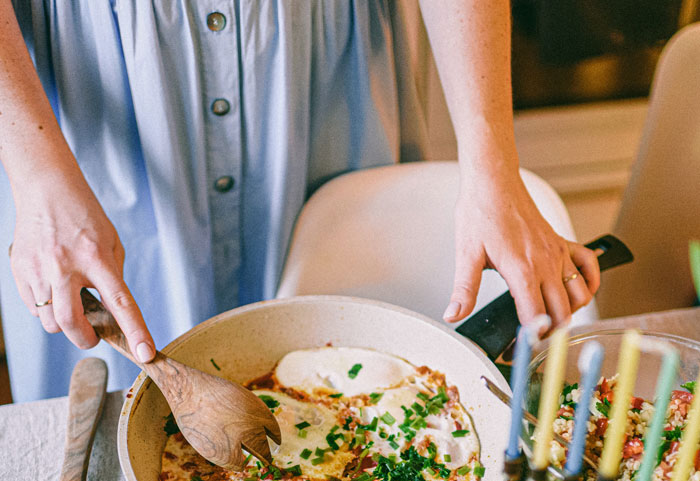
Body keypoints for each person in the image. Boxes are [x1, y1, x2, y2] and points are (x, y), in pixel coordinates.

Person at [0, 0, 599, 403]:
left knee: (359, 387)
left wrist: (494, 168)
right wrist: (38, 176)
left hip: (320, 73)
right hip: (69, 102)